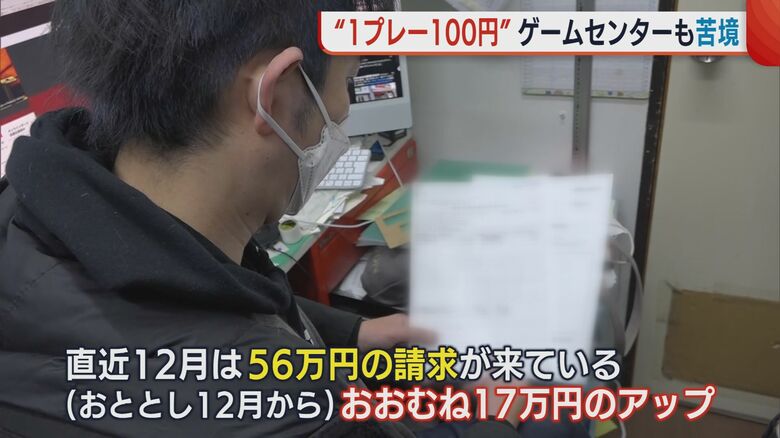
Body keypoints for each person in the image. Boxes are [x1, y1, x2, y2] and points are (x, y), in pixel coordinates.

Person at [0, 1, 537, 436]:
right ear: (275, 95)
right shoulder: (296, 416)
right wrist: (497, 418)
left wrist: (357, 333)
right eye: (348, 82)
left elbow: (227, 298)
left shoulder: (32, 213)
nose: (344, 113)